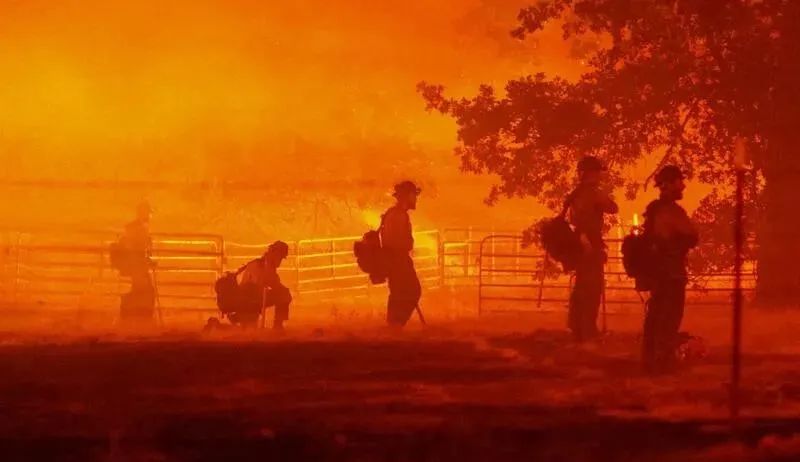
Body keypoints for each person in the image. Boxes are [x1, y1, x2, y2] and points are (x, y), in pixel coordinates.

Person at [641, 165, 698, 373]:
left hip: (658, 271)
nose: (683, 185)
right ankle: (663, 361)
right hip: (671, 272)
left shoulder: (653, 210)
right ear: (668, 184)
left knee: (656, 315)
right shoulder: (671, 211)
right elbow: (692, 236)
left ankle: (650, 359)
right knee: (669, 316)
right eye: (679, 181)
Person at [566, 156, 618, 342]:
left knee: (582, 286)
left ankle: (577, 327)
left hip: (580, 242)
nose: (599, 176)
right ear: (589, 173)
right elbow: (613, 208)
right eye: (596, 172)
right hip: (590, 242)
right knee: (592, 287)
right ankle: (587, 329)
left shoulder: (575, 194)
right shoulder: (592, 194)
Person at [380, 181, 422, 328]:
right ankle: (396, 324)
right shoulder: (399, 215)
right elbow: (397, 242)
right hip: (398, 260)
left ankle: (394, 325)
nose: (415, 199)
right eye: (414, 195)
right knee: (412, 291)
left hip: (395, 260)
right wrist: (407, 245)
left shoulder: (392, 213)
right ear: (407, 196)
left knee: (399, 293)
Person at [236, 241, 292, 330]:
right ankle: (277, 327)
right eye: (280, 257)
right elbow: (258, 286)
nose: (280, 261)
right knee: (284, 294)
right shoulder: (262, 265)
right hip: (249, 300)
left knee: (283, 293)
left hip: (252, 299)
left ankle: (277, 326)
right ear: (274, 254)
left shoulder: (265, 264)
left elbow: (275, 284)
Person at [119, 201, 156, 325]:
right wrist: (145, 260)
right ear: (143, 213)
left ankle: (133, 317)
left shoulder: (136, 227)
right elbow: (137, 248)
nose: (150, 216)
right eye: (148, 213)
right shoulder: (136, 227)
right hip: (137, 265)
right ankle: (140, 318)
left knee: (140, 291)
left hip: (137, 265)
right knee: (146, 292)